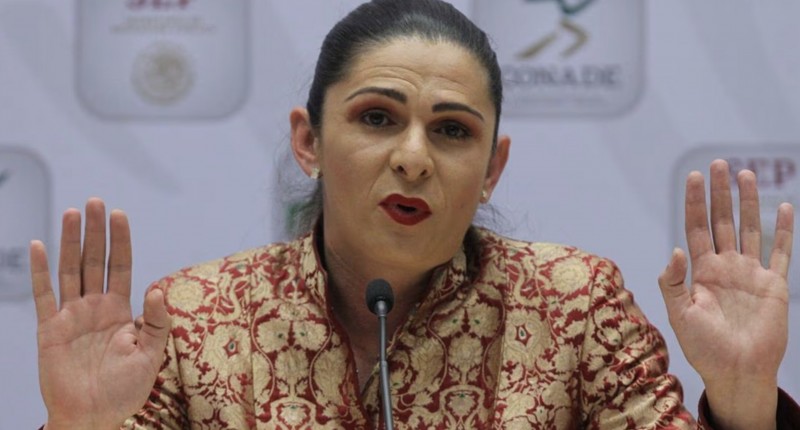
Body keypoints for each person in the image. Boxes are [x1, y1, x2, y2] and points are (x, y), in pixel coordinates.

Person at [29, 0, 800, 428]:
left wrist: (743, 396)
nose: (413, 157)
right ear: (308, 141)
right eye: (376, 118)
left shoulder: (574, 305)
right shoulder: (192, 319)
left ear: (492, 168)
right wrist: (78, 426)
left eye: (453, 130)